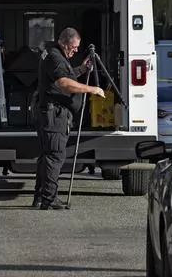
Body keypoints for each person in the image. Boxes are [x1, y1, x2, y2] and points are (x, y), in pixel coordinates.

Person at [32, 27, 105, 210]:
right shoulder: (55, 57)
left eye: (77, 48)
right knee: (55, 156)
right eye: (73, 47)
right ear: (64, 42)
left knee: (47, 156)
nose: (75, 51)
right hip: (54, 114)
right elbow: (63, 82)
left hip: (48, 111)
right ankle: (49, 199)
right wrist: (92, 89)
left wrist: (81, 69)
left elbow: (65, 74)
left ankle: (41, 197)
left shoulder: (53, 53)